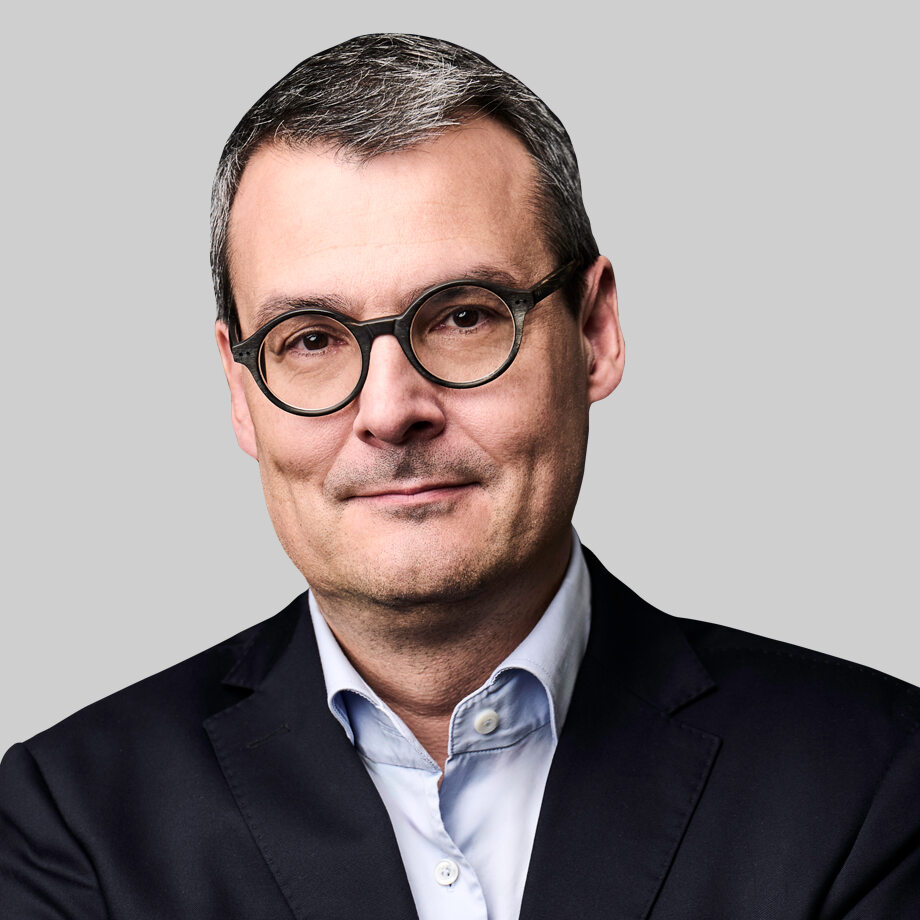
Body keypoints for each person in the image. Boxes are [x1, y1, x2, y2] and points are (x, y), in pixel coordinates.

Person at [1, 32, 917, 920]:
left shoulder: (871, 782)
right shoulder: (72, 820)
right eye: (311, 340)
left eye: (464, 317)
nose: (389, 409)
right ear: (241, 393)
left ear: (595, 333)